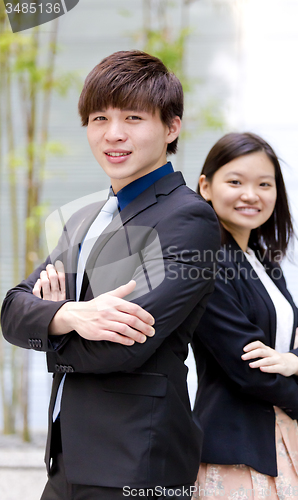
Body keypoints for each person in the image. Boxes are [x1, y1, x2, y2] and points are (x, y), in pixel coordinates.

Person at [1, 50, 221, 500]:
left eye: (134, 118)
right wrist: (72, 315)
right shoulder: (83, 218)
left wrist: (49, 319)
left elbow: (121, 346)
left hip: (138, 464)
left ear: (172, 126)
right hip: (65, 462)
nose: (113, 134)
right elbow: (11, 311)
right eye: (99, 118)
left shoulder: (189, 218)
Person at [192, 132, 298, 500]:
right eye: (235, 182)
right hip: (235, 450)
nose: (251, 194)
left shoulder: (265, 264)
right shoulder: (205, 263)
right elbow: (247, 366)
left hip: (282, 440)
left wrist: (290, 361)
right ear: (206, 186)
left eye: (264, 184)